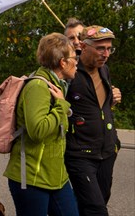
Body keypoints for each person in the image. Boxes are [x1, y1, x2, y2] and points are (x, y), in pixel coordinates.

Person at [4, 33, 79, 216]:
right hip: (31, 178)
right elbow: (38, 131)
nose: (77, 62)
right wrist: (61, 105)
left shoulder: (58, 85)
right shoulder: (38, 86)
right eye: (74, 58)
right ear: (62, 62)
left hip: (56, 177)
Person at [65, 25, 121, 216]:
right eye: (100, 48)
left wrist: (115, 141)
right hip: (80, 154)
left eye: (109, 49)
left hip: (106, 152)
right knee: (96, 209)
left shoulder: (105, 70)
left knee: (97, 202)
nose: (105, 54)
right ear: (83, 46)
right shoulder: (69, 72)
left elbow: (101, 108)